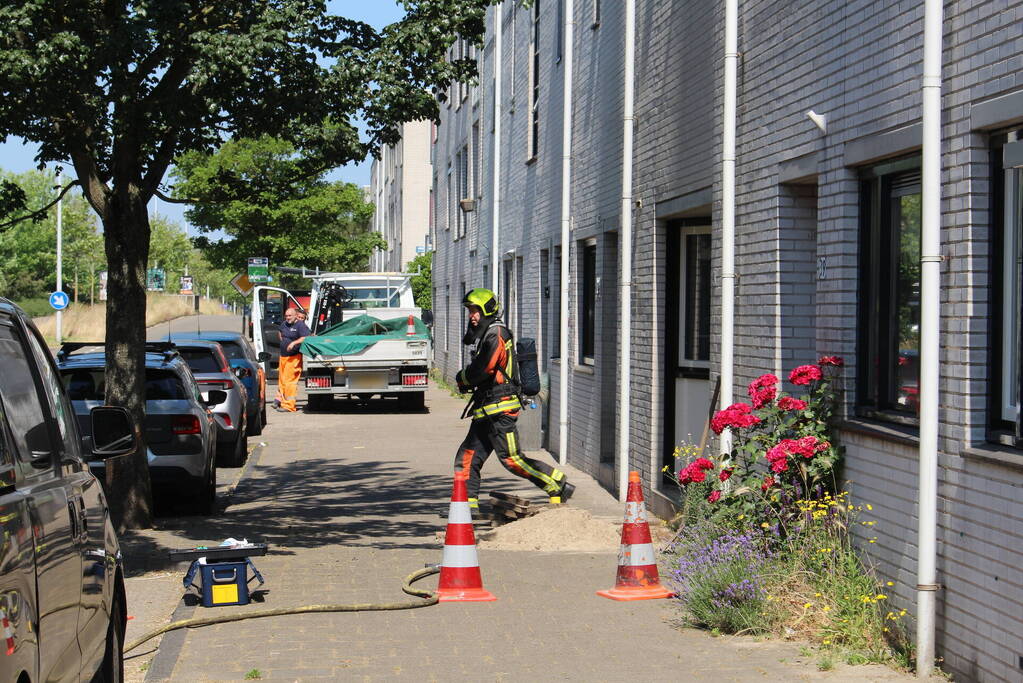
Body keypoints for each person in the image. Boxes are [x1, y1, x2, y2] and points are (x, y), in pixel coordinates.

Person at [454, 288, 574, 509]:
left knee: (512, 459)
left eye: (474, 310)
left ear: (486, 310)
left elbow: (484, 368)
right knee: (467, 458)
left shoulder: (497, 333)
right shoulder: (487, 334)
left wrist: (463, 378)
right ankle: (465, 510)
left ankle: (556, 482)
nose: (471, 315)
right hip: (486, 410)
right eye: (469, 311)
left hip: (500, 411)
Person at [276, 306, 310, 412]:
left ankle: (289, 406)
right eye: (286, 316)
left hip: (293, 357)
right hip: (283, 356)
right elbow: (280, 332)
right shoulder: (284, 324)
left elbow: (305, 337)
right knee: (282, 381)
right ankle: (280, 401)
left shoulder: (300, 325)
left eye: (290, 315)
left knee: (289, 382)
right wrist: (283, 341)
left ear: (295, 316)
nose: (288, 317)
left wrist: (293, 343)